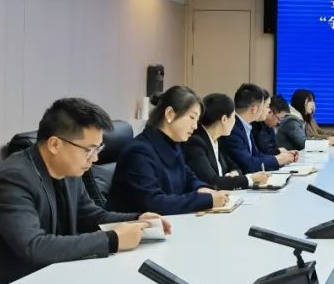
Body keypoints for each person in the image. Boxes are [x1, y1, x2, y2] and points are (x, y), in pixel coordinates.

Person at [0, 98, 169, 284]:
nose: (94, 159)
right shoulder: (12, 179)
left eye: (98, 149)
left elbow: (90, 216)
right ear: (55, 144)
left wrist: (138, 220)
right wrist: (113, 240)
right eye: (89, 149)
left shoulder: (68, 171)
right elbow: (34, 246)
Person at [109, 86, 230, 214]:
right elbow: (155, 203)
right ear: (169, 114)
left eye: (197, 120)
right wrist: (206, 200)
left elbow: (188, 177)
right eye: (192, 117)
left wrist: (201, 188)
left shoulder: (174, 144)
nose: (195, 126)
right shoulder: (139, 152)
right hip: (135, 223)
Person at [184, 93, 272, 191]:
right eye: (234, 117)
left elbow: (235, 166)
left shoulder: (218, 139)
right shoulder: (196, 143)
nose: (235, 122)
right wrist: (251, 179)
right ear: (224, 119)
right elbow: (212, 182)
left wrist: (235, 173)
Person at [222, 84, 299, 173]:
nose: (268, 111)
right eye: (265, 106)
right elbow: (248, 164)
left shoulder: (245, 126)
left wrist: (281, 157)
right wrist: (277, 159)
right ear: (254, 109)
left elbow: (257, 155)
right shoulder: (232, 129)